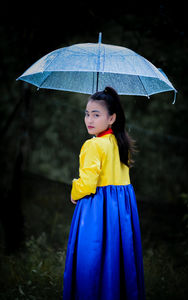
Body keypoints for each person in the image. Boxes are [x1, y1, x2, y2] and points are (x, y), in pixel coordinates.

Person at [63, 86, 145, 300]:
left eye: (96, 114)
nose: (89, 119)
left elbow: (88, 184)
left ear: (112, 118)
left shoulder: (93, 145)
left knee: (91, 261)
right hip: (120, 214)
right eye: (87, 114)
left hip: (96, 211)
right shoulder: (121, 143)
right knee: (117, 262)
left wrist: (74, 191)